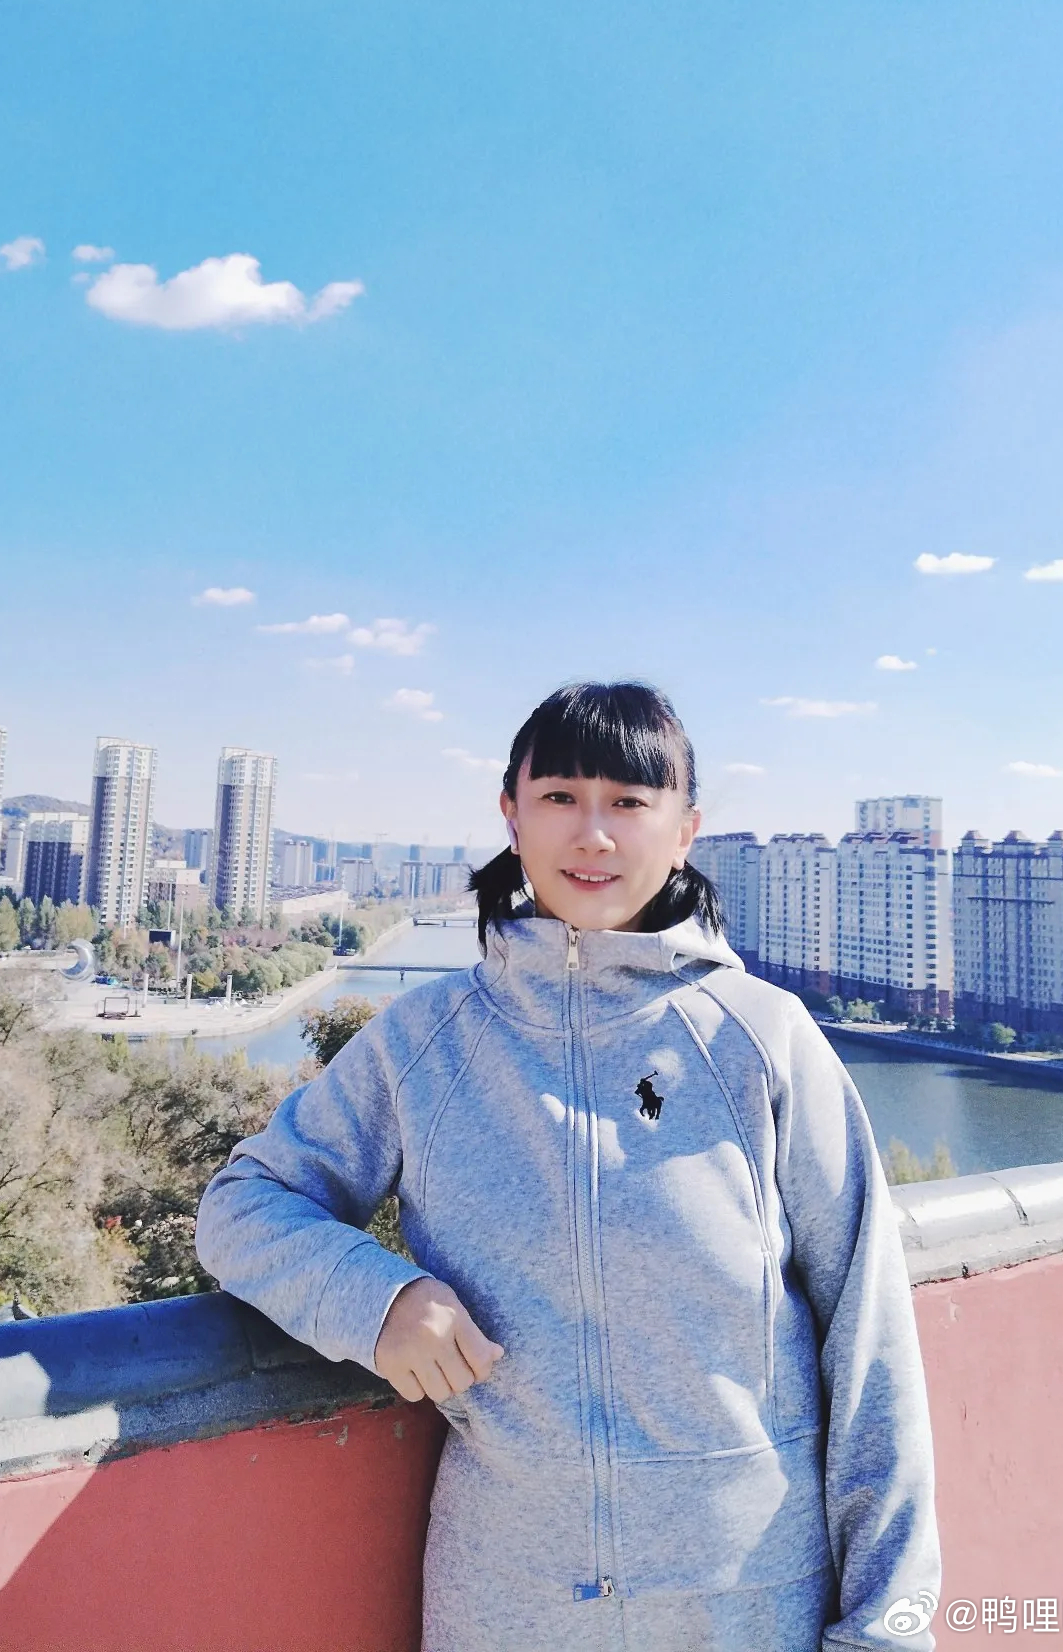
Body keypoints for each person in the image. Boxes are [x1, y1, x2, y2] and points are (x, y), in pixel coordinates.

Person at [195, 681, 941, 1651]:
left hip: (749, 1605)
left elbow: (871, 1345)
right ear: (511, 815)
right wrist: (378, 1299)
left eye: (629, 801)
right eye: (559, 797)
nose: (593, 833)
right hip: (511, 1604)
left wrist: (888, 1629)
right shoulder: (427, 1042)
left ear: (685, 831)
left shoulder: (763, 1040)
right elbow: (242, 1204)